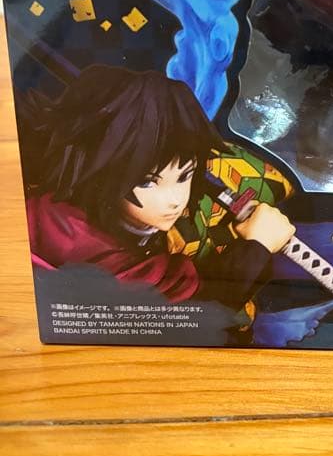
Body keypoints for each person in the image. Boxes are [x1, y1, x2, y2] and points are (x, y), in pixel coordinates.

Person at [23, 65, 294, 308]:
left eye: (184, 176)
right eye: (147, 182)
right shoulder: (87, 244)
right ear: (101, 171)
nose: (175, 200)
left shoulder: (65, 202)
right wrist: (258, 246)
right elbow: (202, 309)